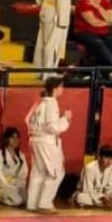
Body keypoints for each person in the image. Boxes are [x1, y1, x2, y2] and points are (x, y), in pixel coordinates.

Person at [25, 75, 71, 213]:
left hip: (34, 139)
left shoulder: (39, 103)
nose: (63, 89)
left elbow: (26, 119)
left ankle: (32, 203)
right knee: (56, 172)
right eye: (61, 86)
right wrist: (65, 119)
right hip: (47, 142)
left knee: (39, 172)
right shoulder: (51, 103)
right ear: (55, 88)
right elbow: (52, 127)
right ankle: (45, 203)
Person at [73, 0, 112, 66]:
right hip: (84, 33)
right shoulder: (84, 0)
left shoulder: (107, 1)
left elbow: (111, 20)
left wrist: (98, 7)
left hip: (103, 33)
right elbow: (92, 22)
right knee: (98, 43)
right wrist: (107, 22)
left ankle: (110, 71)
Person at [0, 126, 28, 206]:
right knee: (17, 201)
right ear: (6, 139)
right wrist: (8, 186)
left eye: (17, 138)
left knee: (28, 201)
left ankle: (12, 195)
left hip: (16, 184)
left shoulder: (21, 155)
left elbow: (23, 174)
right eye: (12, 137)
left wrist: (19, 185)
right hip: (2, 185)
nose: (15, 140)